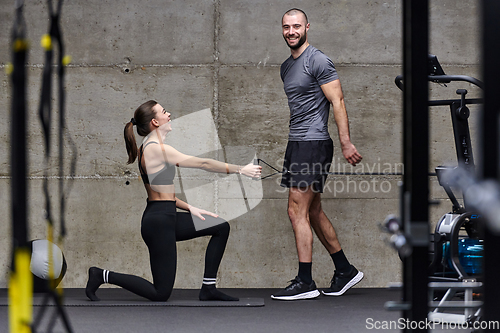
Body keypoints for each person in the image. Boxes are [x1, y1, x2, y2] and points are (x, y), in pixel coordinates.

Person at [85, 100, 261, 302]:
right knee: (160, 293)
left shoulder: (152, 147)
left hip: (166, 215)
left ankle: (208, 289)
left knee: (221, 227)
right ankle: (101, 275)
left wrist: (190, 208)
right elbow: (203, 163)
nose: (169, 114)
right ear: (155, 122)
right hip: (159, 223)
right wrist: (241, 169)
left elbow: (163, 194)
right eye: (164, 112)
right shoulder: (155, 149)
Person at [271, 8, 364, 301]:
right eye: (286, 27)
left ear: (307, 27)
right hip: (297, 142)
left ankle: (305, 281)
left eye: (296, 26)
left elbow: (337, 101)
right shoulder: (286, 67)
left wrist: (346, 143)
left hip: (312, 143)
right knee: (311, 211)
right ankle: (345, 270)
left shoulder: (318, 60)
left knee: (295, 210)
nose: (291, 31)